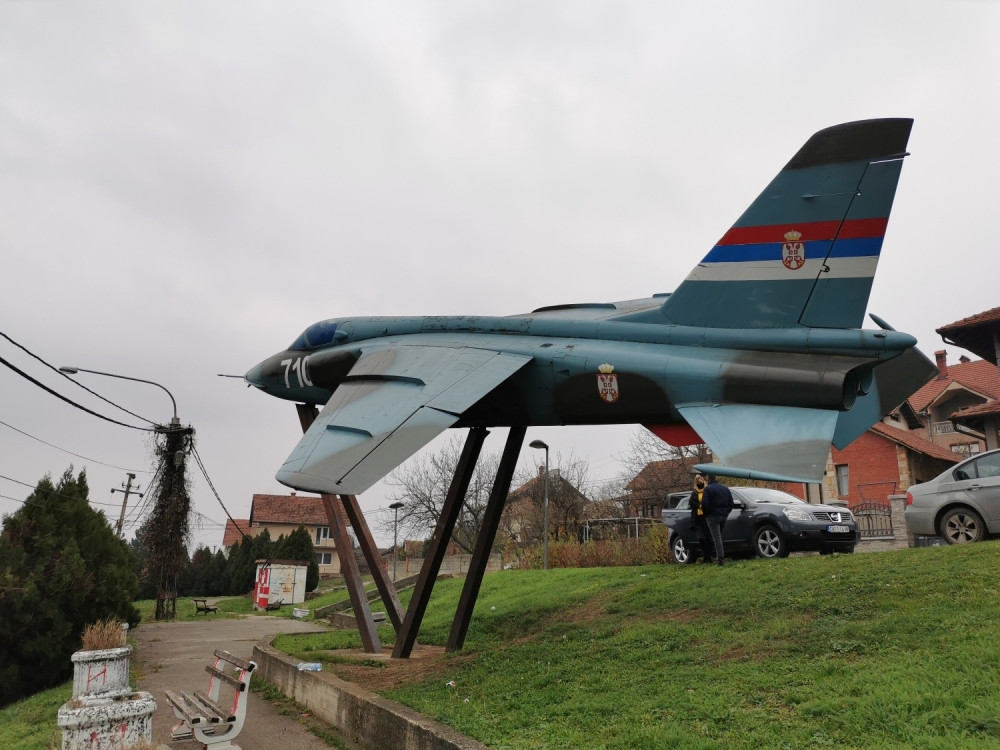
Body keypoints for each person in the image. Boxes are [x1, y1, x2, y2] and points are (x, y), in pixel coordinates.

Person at [700, 474, 734, 566]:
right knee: (719, 537)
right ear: (716, 478)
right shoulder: (725, 488)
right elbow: (731, 503)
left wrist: (707, 514)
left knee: (716, 538)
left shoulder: (708, 489)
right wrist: (726, 512)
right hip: (723, 515)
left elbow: (705, 504)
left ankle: (720, 560)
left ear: (708, 478)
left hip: (712, 516)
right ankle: (719, 557)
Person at [688, 474, 714, 563]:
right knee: (701, 538)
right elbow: (691, 502)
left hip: (706, 517)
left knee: (709, 538)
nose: (700, 481)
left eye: (701, 480)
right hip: (697, 518)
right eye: (698, 480)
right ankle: (706, 556)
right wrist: (699, 505)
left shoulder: (707, 490)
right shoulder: (694, 492)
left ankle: (708, 557)